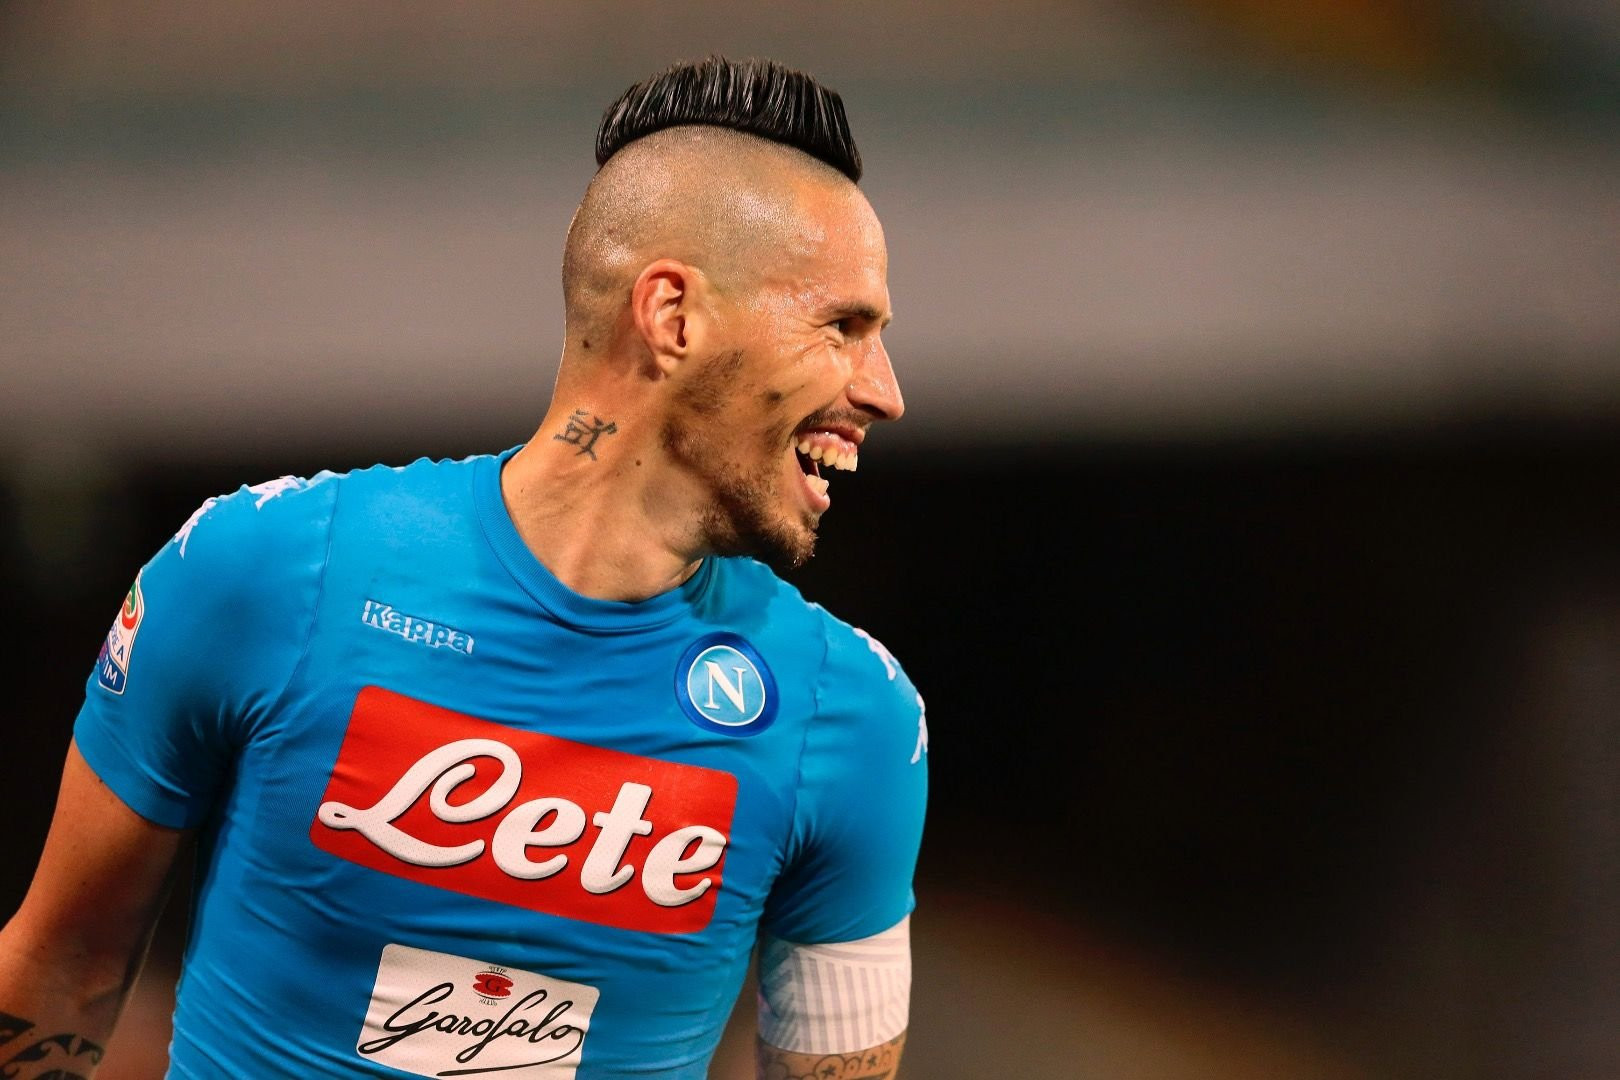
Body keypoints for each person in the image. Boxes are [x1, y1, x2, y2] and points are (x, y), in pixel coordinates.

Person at [0, 56, 928, 1079]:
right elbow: (59, 969)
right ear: (673, 317)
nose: (884, 391)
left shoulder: (854, 717)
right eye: (844, 327)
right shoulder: (265, 569)